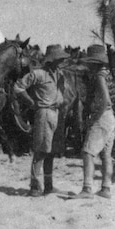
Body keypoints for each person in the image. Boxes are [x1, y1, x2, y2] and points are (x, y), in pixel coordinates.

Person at [13, 44, 69, 197]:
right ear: (51, 60)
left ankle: (49, 186)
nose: (61, 62)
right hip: (44, 113)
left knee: (51, 152)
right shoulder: (38, 74)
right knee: (41, 151)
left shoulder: (59, 75)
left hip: (56, 114)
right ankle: (35, 187)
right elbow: (18, 87)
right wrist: (31, 102)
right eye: (59, 59)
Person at [71, 44, 115, 199]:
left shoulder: (99, 76)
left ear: (93, 62)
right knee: (106, 155)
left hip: (102, 116)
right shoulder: (108, 74)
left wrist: (94, 118)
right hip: (110, 117)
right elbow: (114, 99)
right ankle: (106, 188)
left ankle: (87, 189)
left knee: (87, 153)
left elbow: (105, 100)